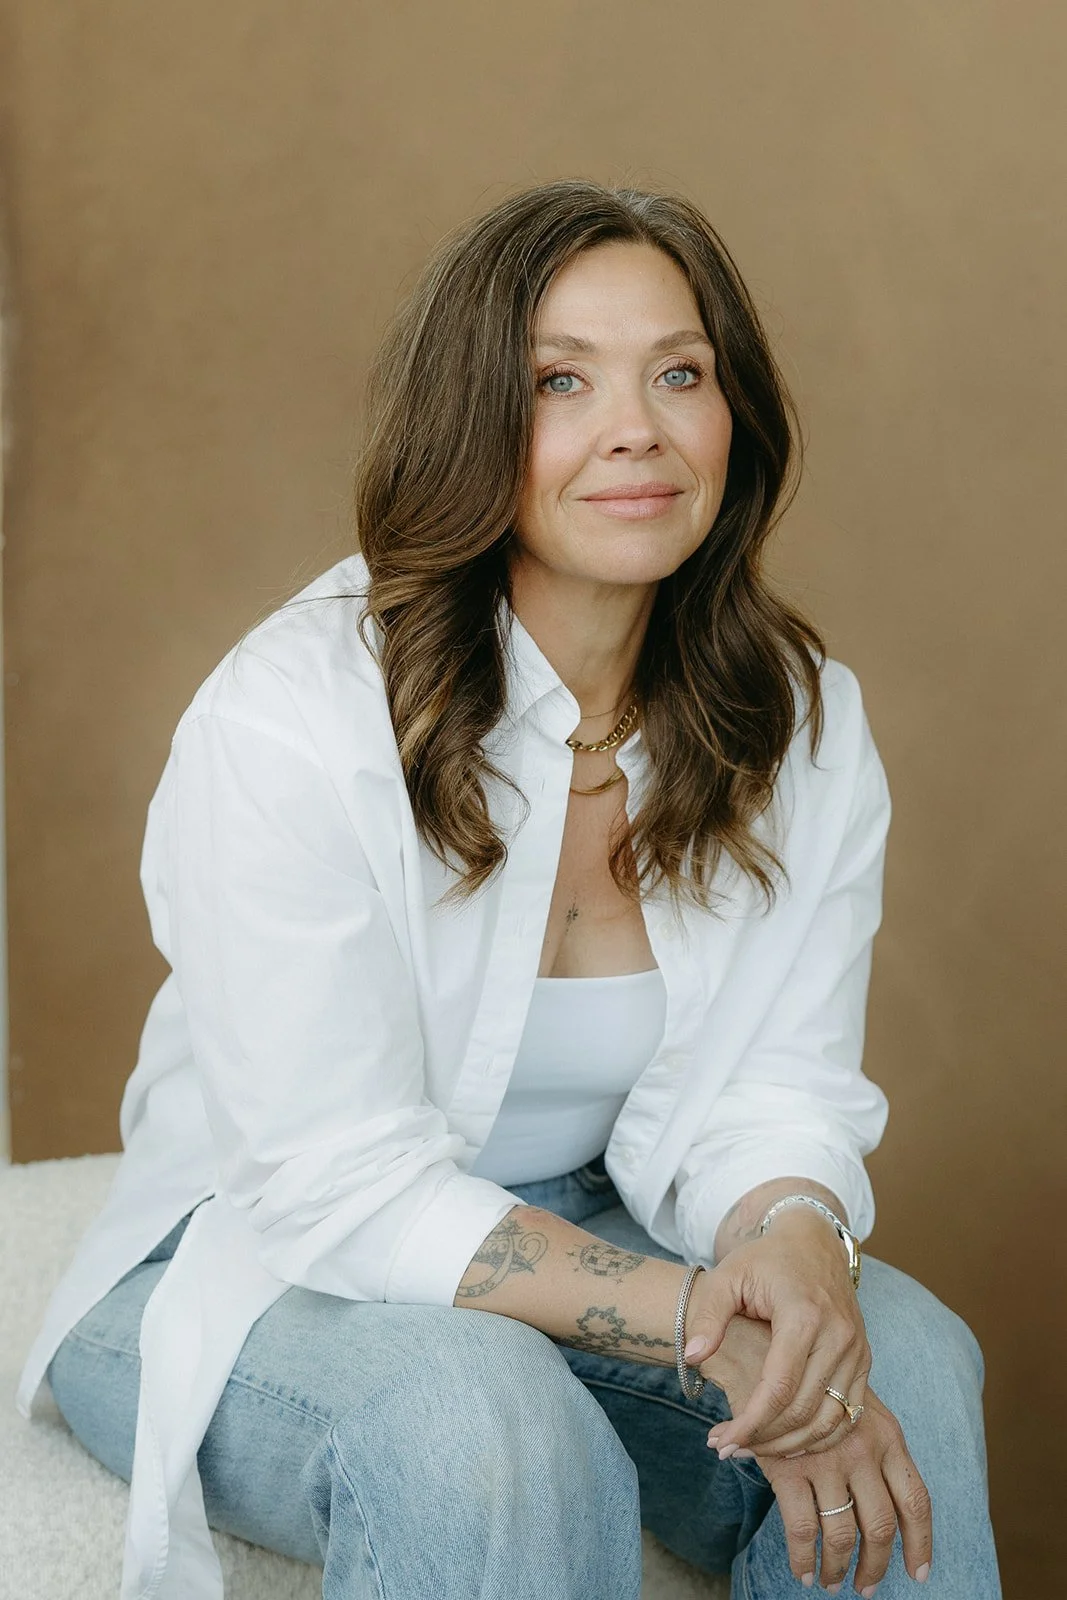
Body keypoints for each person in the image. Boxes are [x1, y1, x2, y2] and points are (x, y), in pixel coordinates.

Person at [17, 179, 1000, 1600]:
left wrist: (796, 1244)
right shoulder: (295, 715)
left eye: (680, 373)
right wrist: (691, 1318)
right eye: (559, 381)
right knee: (489, 1421)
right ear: (469, 423)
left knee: (900, 1355)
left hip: (598, 1211)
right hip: (252, 1254)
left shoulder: (799, 716)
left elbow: (776, 1087)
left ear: (738, 417)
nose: (635, 432)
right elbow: (329, 1178)